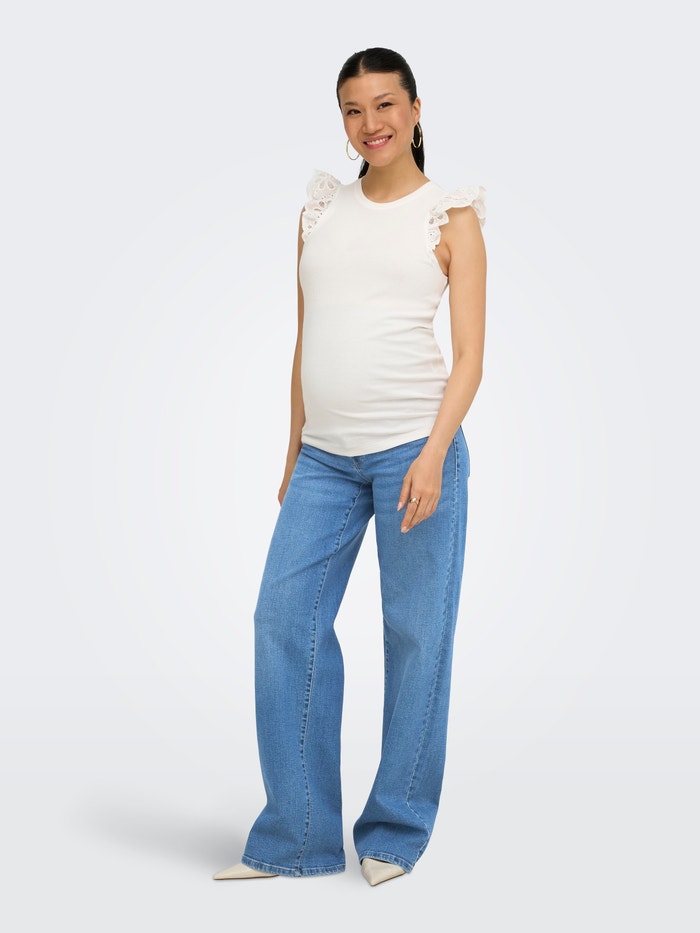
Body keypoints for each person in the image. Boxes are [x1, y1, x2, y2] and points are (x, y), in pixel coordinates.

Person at [213, 47, 487, 887]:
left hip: (415, 450)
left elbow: (470, 357)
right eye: (354, 109)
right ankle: (296, 836)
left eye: (385, 105)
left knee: (416, 635)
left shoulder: (451, 216)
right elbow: (309, 335)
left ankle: (394, 831)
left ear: (415, 109)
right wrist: (293, 445)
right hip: (326, 459)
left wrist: (435, 453)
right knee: (282, 620)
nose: (371, 123)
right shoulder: (319, 211)